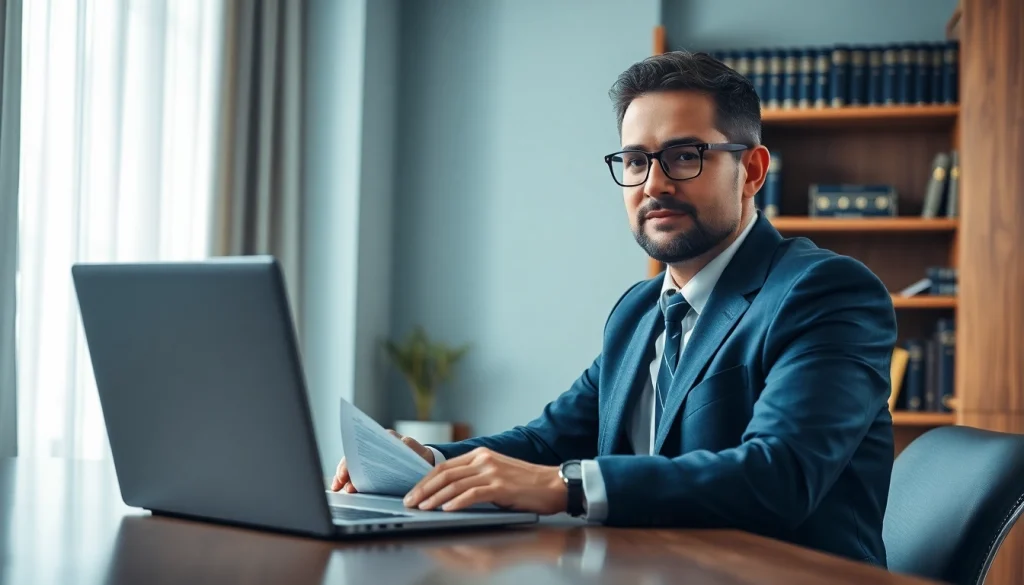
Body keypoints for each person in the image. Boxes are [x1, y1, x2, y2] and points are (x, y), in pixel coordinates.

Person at [331, 50, 897, 567]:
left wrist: (568, 486)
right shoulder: (641, 310)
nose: (653, 184)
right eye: (634, 161)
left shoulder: (825, 291)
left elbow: (779, 476)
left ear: (750, 171)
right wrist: (425, 465)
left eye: (684, 156)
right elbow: (546, 442)